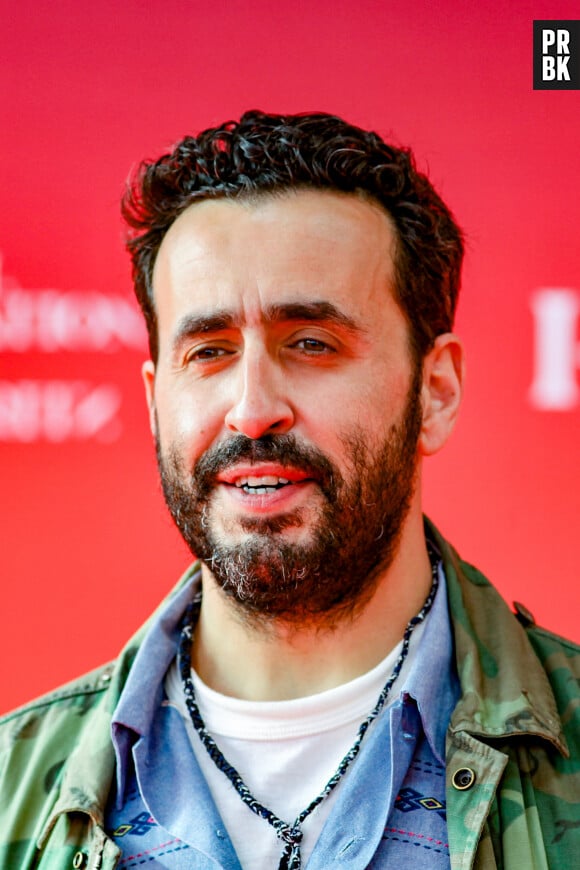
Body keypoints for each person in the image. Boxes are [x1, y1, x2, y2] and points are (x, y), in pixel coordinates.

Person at [0, 111, 578, 870]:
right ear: (154, 401)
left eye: (310, 343)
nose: (252, 407)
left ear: (434, 391)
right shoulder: (13, 789)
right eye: (208, 351)